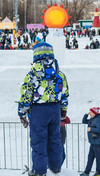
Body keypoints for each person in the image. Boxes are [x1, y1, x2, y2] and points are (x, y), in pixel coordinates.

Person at [18, 42, 69, 176]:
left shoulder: (32, 75)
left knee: (38, 140)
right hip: (55, 109)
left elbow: (26, 95)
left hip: (38, 110)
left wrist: (22, 113)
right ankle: (55, 167)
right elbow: (64, 93)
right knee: (55, 139)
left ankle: (39, 171)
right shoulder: (60, 74)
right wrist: (63, 109)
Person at [80, 107, 100, 176]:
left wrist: (91, 129)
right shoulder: (92, 119)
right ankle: (86, 172)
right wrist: (86, 114)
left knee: (98, 158)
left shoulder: (98, 120)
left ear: (94, 113)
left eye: (91, 112)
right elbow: (84, 121)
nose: (90, 114)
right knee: (90, 157)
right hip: (93, 142)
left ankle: (98, 173)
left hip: (98, 143)